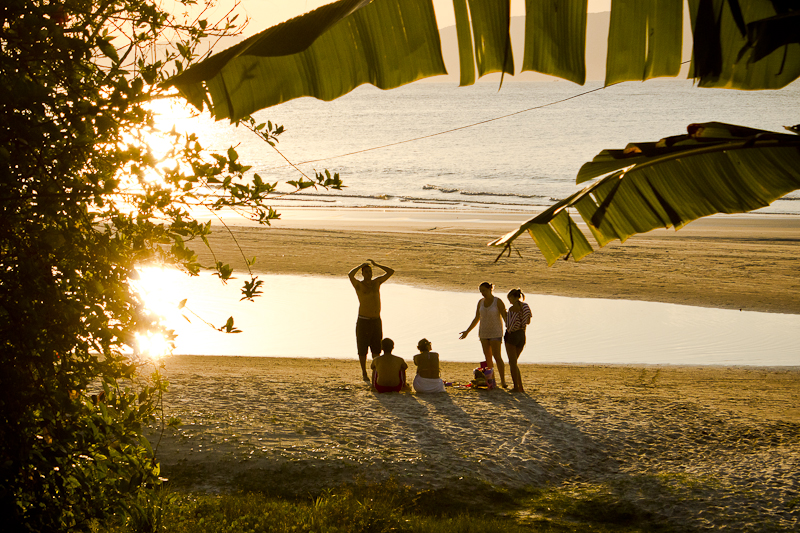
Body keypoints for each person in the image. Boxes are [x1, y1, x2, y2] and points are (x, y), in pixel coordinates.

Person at [349, 259, 394, 382]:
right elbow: (350, 275)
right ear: (363, 273)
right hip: (363, 320)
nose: (369, 274)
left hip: (376, 320)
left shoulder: (376, 283)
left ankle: (375, 372)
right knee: (362, 349)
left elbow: (391, 272)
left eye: (370, 271)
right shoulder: (359, 285)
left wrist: (377, 265)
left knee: (376, 348)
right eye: (366, 272)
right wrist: (360, 265)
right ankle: (364, 372)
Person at [459, 282, 507, 388]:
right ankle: (491, 380)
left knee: (497, 356)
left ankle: (503, 380)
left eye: (484, 290)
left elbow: (505, 317)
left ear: (490, 289)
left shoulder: (497, 301)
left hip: (495, 332)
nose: (482, 293)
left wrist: (511, 328)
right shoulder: (480, 302)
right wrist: (467, 331)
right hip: (483, 333)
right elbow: (477, 318)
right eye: (481, 291)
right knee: (488, 357)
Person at [504, 288, 532, 392]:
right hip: (522, 335)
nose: (509, 301)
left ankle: (517, 387)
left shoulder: (512, 309)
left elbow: (510, 326)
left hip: (512, 336)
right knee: (514, 362)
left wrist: (505, 315)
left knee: (512, 363)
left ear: (513, 297)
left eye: (509, 298)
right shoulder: (525, 306)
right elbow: (528, 321)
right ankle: (520, 387)